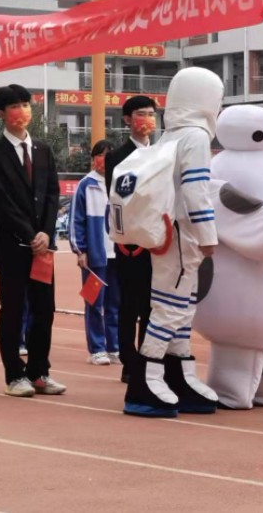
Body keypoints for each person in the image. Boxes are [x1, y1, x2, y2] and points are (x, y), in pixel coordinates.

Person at [122, 67, 222, 417]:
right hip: (183, 234)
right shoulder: (195, 137)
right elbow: (196, 190)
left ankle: (177, 372)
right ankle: (146, 380)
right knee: (171, 305)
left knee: (179, 304)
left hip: (167, 231)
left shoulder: (169, 136)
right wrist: (208, 236)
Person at [0, 84, 66, 397]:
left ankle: (39, 371)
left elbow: (53, 193)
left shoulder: (42, 150)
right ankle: (14, 375)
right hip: (12, 246)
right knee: (14, 308)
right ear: (2, 114)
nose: (23, 111)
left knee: (45, 309)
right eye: (15, 106)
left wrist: (45, 231)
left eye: (26, 105)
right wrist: (30, 235)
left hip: (43, 246)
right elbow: (0, 201)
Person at [105, 95, 157, 383]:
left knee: (152, 304)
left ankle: (148, 355)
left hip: (157, 241)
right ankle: (128, 360)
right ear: (127, 119)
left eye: (151, 114)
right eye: (140, 114)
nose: (147, 119)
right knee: (130, 304)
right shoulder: (118, 157)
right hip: (130, 243)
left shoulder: (162, 153)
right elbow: (121, 200)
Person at [70, 140, 120, 365]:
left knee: (115, 304)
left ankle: (114, 346)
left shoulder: (121, 184)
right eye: (100, 155)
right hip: (95, 256)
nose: (104, 161)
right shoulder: (86, 185)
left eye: (109, 156)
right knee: (93, 302)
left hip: (118, 255)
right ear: (93, 159)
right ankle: (97, 348)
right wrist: (80, 250)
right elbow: (76, 221)